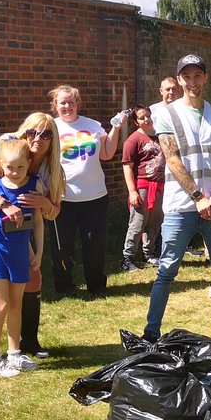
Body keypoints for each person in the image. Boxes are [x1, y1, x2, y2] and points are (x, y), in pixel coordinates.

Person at [143, 54, 211, 346]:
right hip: (180, 207)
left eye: (197, 75)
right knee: (167, 270)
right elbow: (172, 159)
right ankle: (151, 333)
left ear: (205, 78)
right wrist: (198, 197)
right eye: (186, 76)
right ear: (179, 80)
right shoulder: (167, 114)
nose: (192, 82)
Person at [0, 113, 64, 365]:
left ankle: (24, 344)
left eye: (45, 134)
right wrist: (4, 204)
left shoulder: (51, 169)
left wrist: (43, 203)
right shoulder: (8, 150)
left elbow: (52, 213)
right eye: (32, 132)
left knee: (32, 277)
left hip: (16, 228)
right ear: (24, 132)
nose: (37, 138)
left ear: (53, 139)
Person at [0, 137, 45, 378]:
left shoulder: (35, 185)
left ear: (29, 163)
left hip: (19, 251)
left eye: (20, 166)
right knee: (1, 304)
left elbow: (38, 221)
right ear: (1, 165)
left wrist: (40, 252)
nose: (15, 172)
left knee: (16, 304)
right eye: (9, 167)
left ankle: (14, 355)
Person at [49, 85, 128, 298]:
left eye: (71, 102)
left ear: (78, 103)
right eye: (62, 102)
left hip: (95, 197)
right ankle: (64, 286)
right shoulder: (50, 127)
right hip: (62, 198)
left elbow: (106, 154)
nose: (67, 106)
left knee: (95, 244)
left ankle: (97, 285)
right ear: (55, 105)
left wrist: (115, 129)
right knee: (62, 245)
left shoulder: (92, 125)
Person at [121, 104, 165, 271]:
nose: (146, 119)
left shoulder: (158, 136)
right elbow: (127, 166)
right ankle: (128, 258)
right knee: (138, 222)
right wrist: (132, 191)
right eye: (141, 118)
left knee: (155, 221)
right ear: (136, 122)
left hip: (159, 186)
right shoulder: (133, 140)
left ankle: (149, 253)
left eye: (148, 115)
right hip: (142, 187)